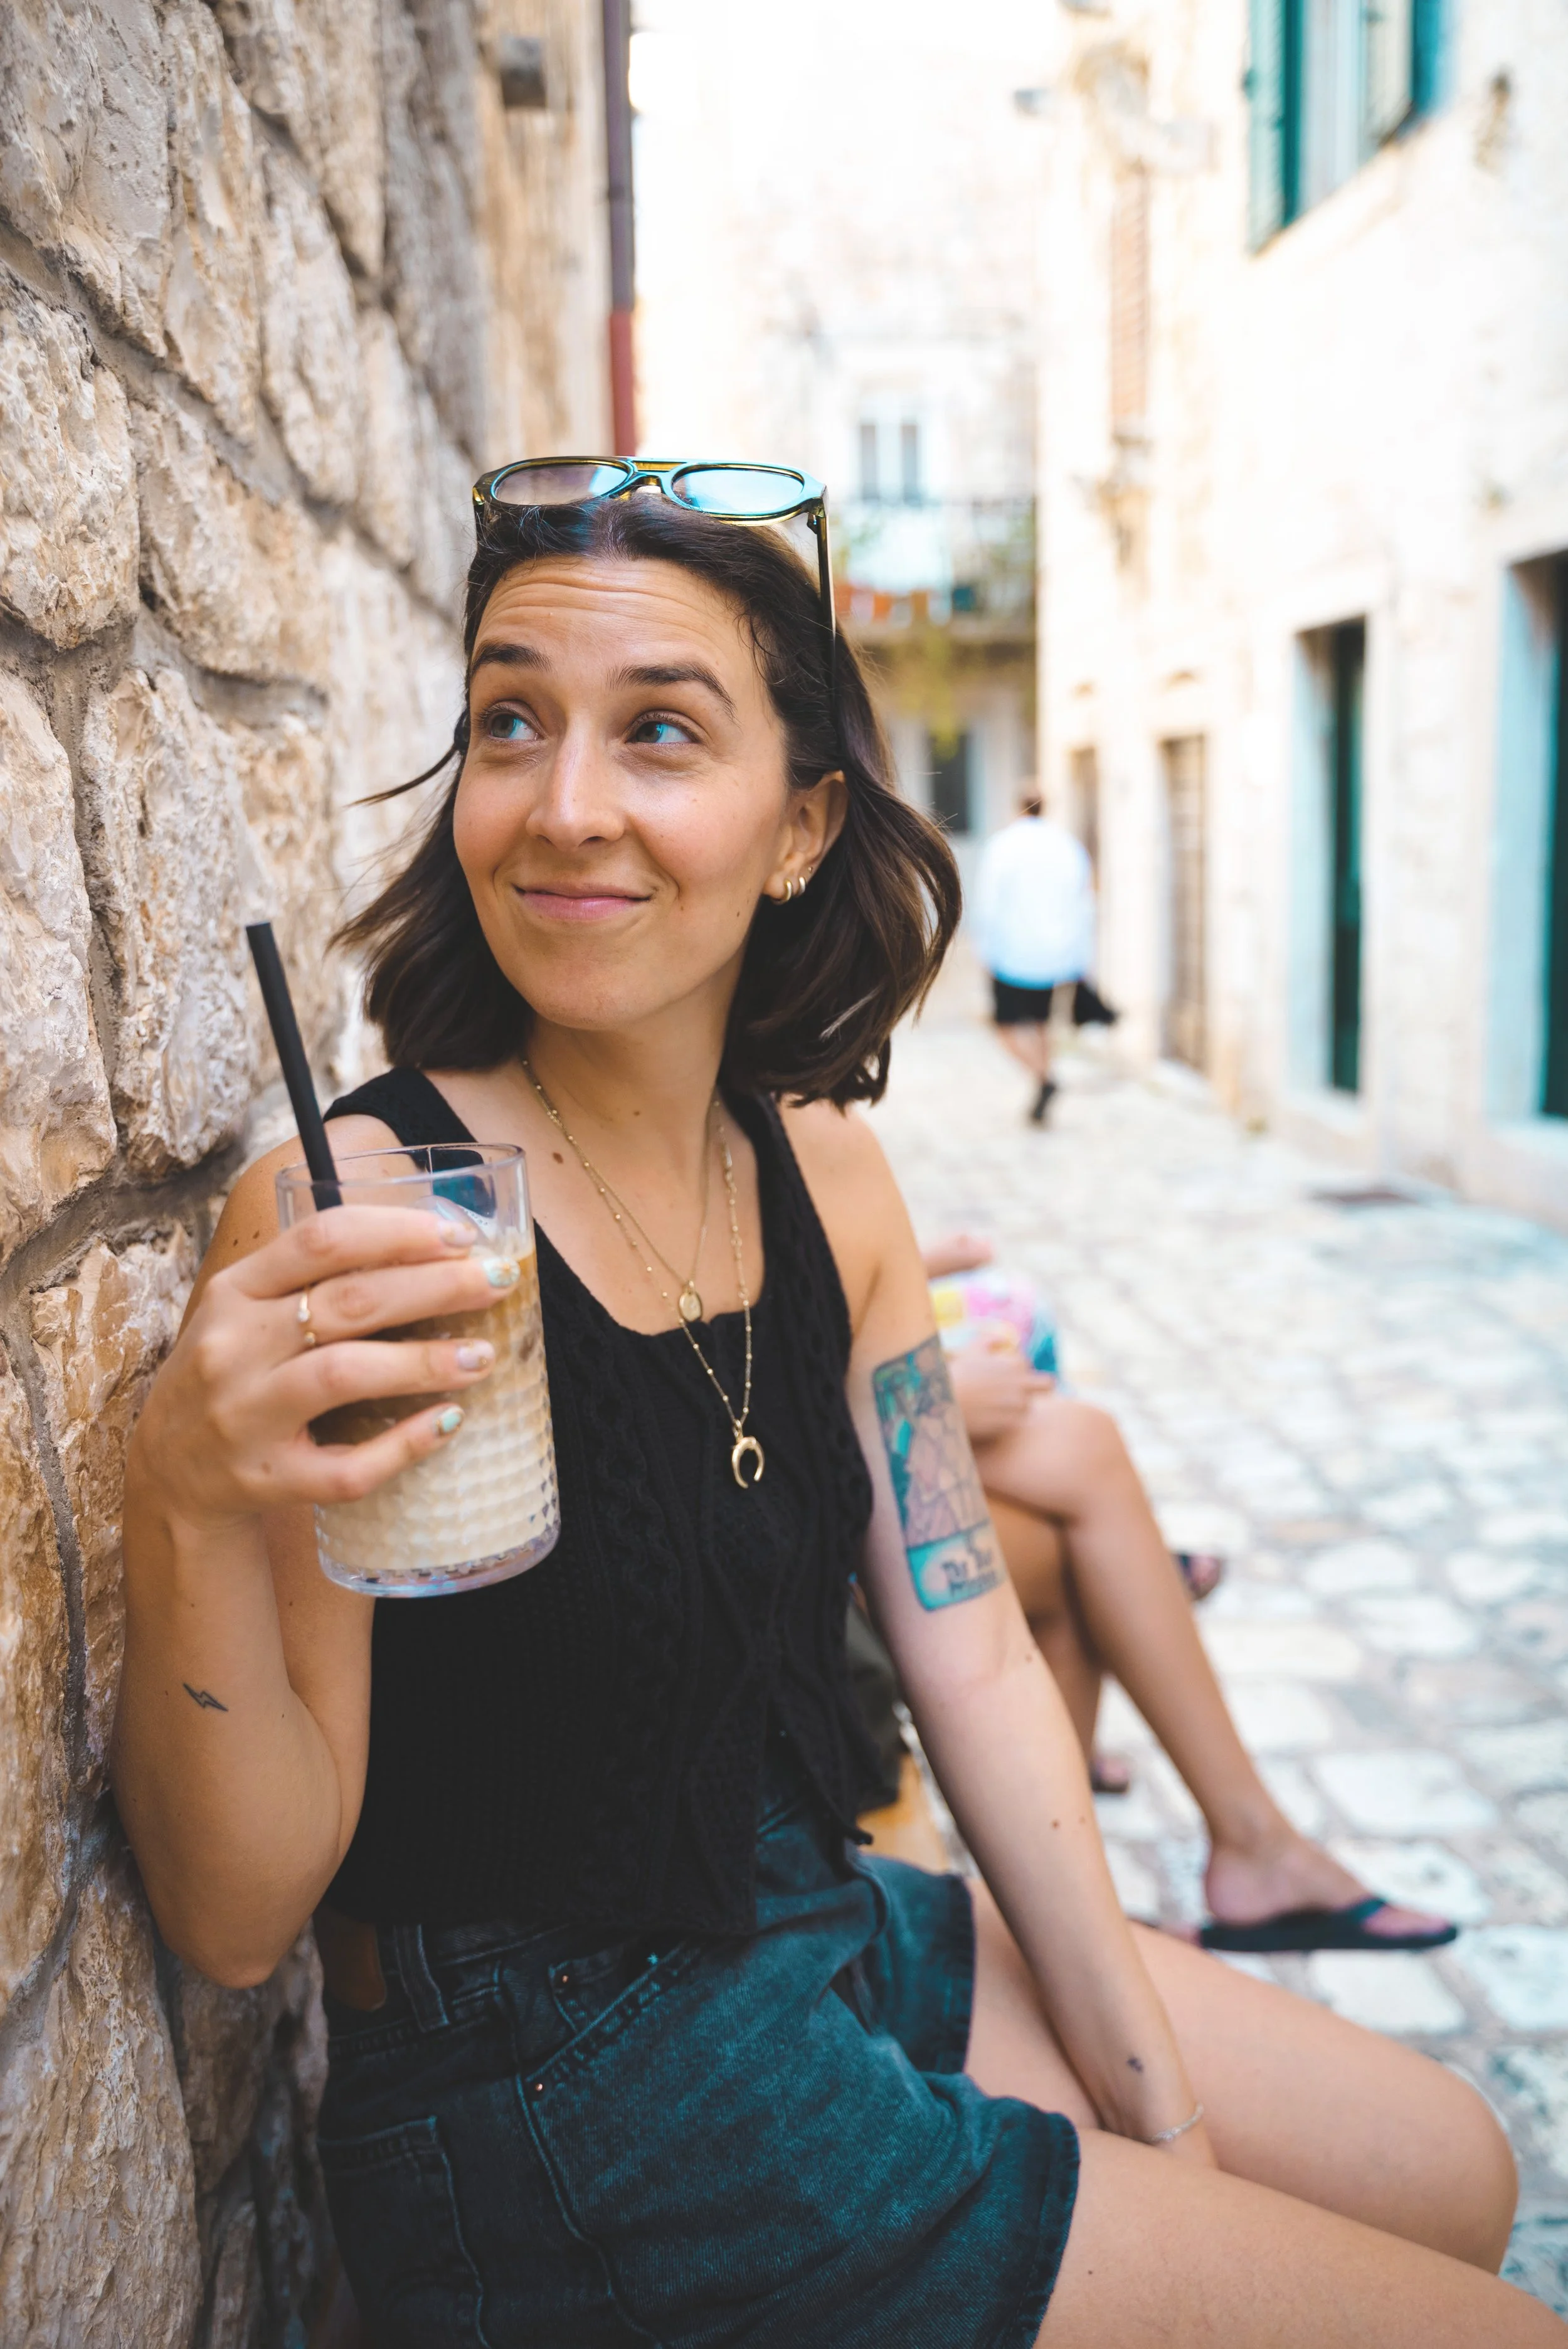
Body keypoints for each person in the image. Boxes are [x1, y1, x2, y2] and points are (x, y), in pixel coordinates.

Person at [112, 475, 1557, 2348]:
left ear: (798, 828)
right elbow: (241, 1920)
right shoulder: (383, 1211)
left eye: (657, 731)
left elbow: (967, 1655)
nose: (564, 805)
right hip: (557, 2084)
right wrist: (183, 1493)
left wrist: (1162, 2116)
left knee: (1449, 2168)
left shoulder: (823, 1174)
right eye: (508, 722)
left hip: (811, 1927)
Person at [921, 1239, 1455, 1952]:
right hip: (797, 1502)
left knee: (1081, 1459)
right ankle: (1111, 1888)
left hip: (830, 1429)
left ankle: (1097, 1887)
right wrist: (934, 1397)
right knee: (1085, 1521)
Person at [973, 790, 1099, 1124]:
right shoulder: (1067, 846)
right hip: (1054, 954)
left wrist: (984, 949)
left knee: (1004, 1027)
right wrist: (1079, 954)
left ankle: (1044, 1079)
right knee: (1041, 1024)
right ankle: (1043, 1084)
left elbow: (988, 902)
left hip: (1013, 953)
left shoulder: (1003, 847)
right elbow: (1084, 901)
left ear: (1016, 808)